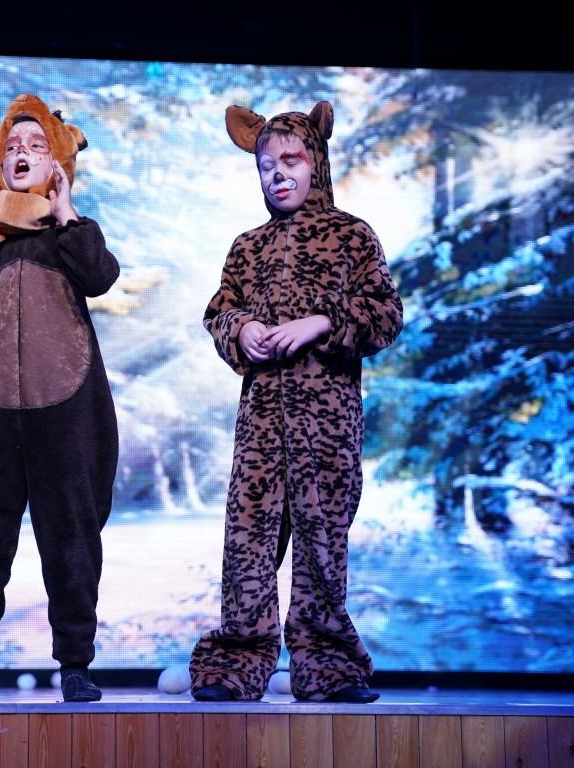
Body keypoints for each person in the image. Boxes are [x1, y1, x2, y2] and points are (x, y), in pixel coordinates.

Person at [189, 101, 404, 703]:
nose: (278, 174)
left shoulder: (351, 237)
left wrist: (322, 322)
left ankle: (328, 667)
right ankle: (236, 662)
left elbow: (386, 315)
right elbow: (219, 312)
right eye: (266, 165)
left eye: (291, 160)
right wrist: (241, 330)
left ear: (317, 163)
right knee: (247, 544)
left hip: (326, 424)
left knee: (322, 547)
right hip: (261, 424)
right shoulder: (247, 247)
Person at [0, 94, 119, 704]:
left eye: (37, 146)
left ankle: (76, 666)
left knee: (71, 543)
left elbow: (100, 276)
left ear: (58, 163)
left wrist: (67, 212)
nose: (22, 154)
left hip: (65, 413)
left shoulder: (68, 234)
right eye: (12, 147)